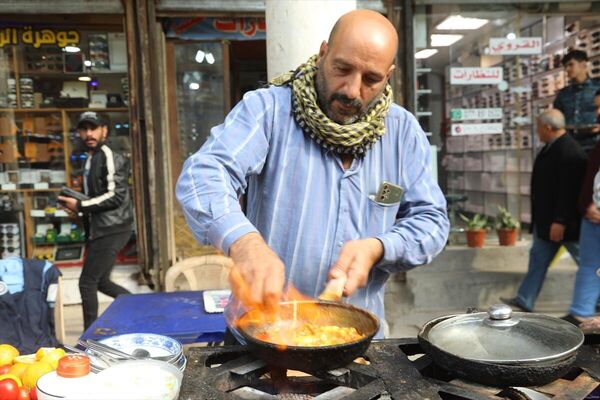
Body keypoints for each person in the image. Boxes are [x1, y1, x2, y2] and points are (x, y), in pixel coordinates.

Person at [176, 10, 449, 340]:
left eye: (371, 79)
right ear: (323, 53)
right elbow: (205, 173)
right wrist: (244, 243)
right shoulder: (267, 111)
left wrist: (380, 246)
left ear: (388, 76)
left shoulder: (403, 132)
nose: (351, 90)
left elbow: (431, 220)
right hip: (261, 336)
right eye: (342, 69)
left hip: (356, 340)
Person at [501, 109, 587, 312]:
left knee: (588, 262)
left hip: (563, 224)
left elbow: (569, 192)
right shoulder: (550, 148)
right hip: (546, 222)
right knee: (538, 258)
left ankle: (593, 300)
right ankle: (525, 299)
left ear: (548, 127)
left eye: (539, 127)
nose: (537, 131)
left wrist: (560, 220)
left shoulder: (569, 151)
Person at [58, 111, 134, 330]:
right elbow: (96, 197)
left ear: (104, 130)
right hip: (103, 227)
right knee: (100, 281)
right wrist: (78, 209)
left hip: (112, 227)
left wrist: (81, 205)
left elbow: (115, 195)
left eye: (94, 128)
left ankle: (88, 336)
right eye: (84, 129)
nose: (89, 133)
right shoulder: (92, 157)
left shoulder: (109, 154)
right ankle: (139, 308)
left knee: (86, 282)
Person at [562, 89, 600, 325]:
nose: (598, 112)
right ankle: (580, 314)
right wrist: (587, 206)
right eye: (596, 107)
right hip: (591, 216)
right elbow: (591, 180)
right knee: (589, 265)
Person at [553, 50, 600, 154]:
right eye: (565, 66)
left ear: (583, 64)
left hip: (595, 145)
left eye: (571, 64)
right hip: (571, 147)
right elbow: (556, 119)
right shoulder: (563, 94)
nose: (567, 69)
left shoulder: (598, 87)